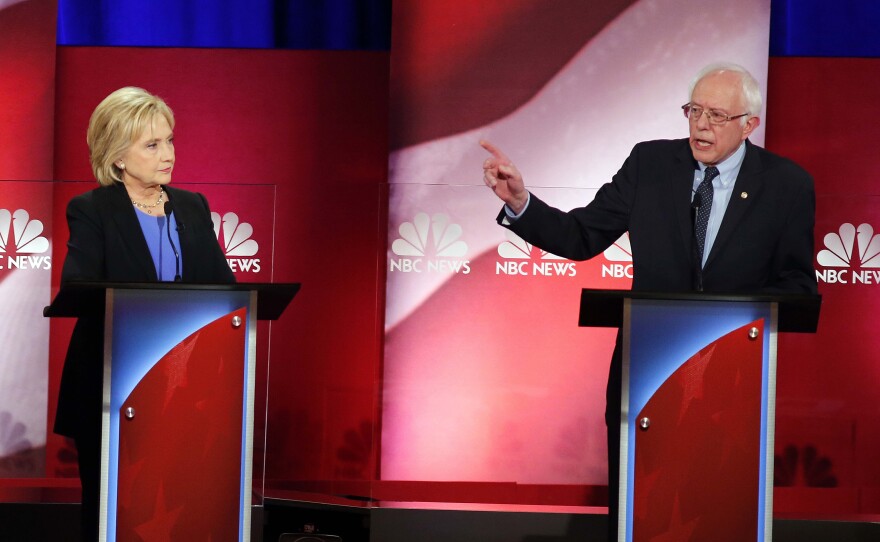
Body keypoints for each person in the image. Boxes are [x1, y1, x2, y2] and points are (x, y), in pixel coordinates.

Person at [481, 63, 817, 540]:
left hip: (733, 384)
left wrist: (737, 314)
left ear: (749, 125)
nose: (700, 124)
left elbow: (797, 285)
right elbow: (581, 236)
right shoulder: (650, 165)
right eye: (694, 110)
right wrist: (521, 202)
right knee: (643, 511)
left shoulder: (787, 185)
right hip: (647, 379)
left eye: (716, 115)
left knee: (717, 513)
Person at [54, 87, 235, 540]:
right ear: (117, 156)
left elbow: (228, 291)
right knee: (113, 512)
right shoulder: (92, 210)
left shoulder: (192, 207)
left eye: (170, 140)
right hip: (112, 385)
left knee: (178, 511)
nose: (168, 154)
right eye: (152, 145)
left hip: (186, 389)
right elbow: (79, 286)